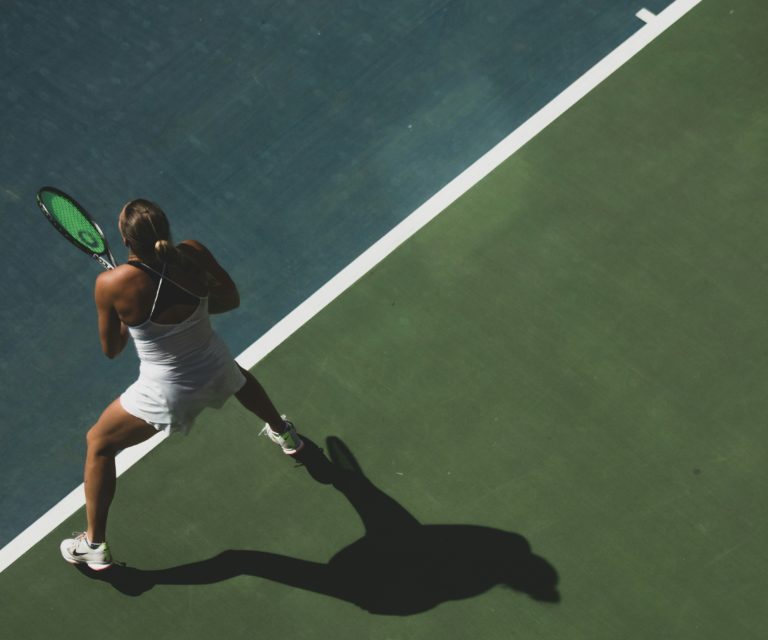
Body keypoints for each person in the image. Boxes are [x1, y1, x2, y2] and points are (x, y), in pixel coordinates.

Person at [60, 199, 303, 571]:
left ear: (125, 239)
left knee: (98, 443)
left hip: (167, 393)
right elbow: (230, 299)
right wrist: (191, 315)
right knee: (234, 375)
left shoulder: (111, 283)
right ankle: (285, 434)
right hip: (215, 363)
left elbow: (112, 349)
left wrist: (130, 320)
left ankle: (94, 544)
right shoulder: (192, 252)